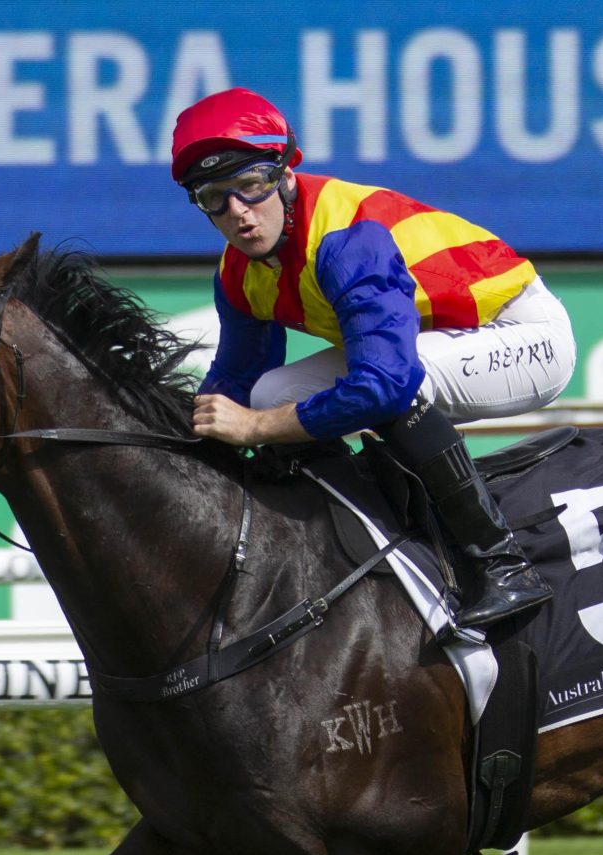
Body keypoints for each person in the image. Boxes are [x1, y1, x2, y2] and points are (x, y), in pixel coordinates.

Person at [171, 87, 574, 631]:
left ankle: (503, 564)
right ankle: (353, 542)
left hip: (519, 331)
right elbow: (239, 385)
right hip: (428, 337)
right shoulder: (237, 272)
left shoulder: (345, 240)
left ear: (287, 174)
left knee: (389, 389)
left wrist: (258, 427)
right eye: (214, 196)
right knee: (272, 393)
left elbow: (384, 384)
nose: (239, 213)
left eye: (251, 185)